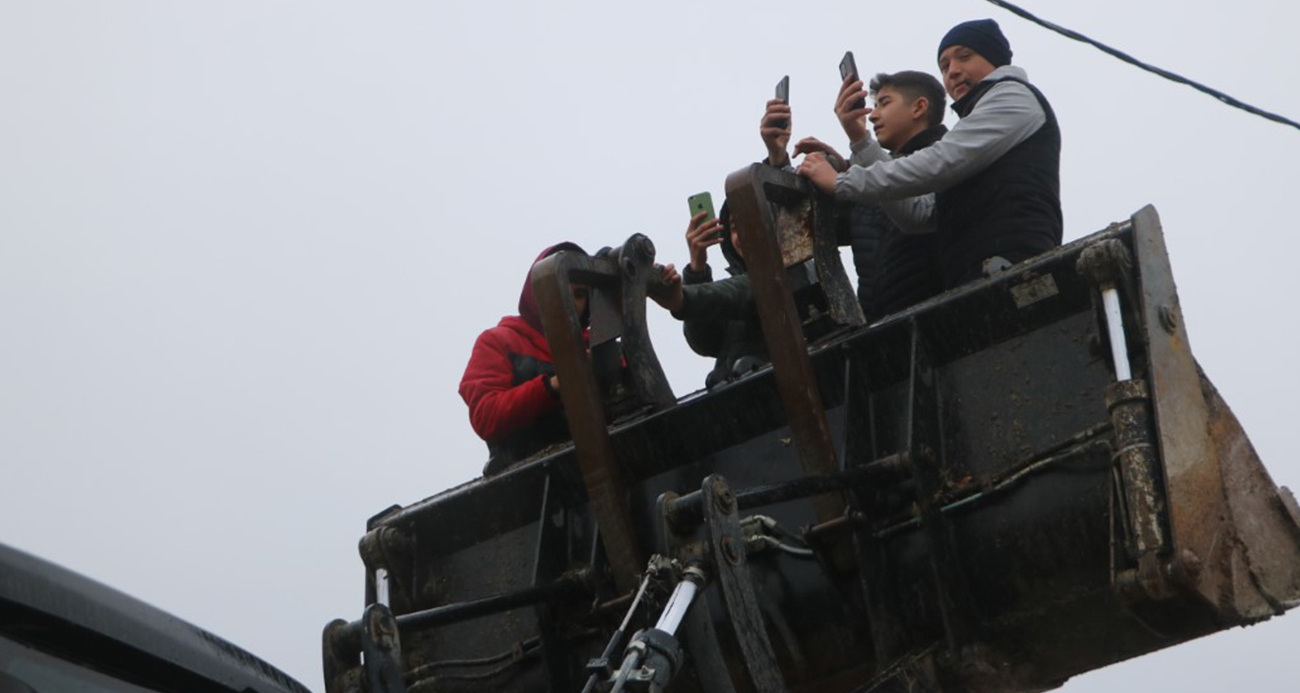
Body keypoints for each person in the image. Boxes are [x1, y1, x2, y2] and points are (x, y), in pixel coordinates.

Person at [797, 18, 1062, 289]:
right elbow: (918, 213)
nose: (953, 72)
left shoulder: (1012, 96)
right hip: (974, 278)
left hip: (1015, 266)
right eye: (944, 66)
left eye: (965, 57)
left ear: (995, 59)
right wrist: (861, 144)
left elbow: (939, 162)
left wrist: (841, 182)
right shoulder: (975, 126)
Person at [792, 70, 949, 320]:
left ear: (919, 108)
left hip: (940, 317)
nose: (873, 115)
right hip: (883, 331)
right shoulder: (867, 174)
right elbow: (811, 231)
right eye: (874, 105)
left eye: (884, 103)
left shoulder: (949, 159)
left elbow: (903, 195)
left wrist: (858, 144)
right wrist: (781, 157)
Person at [459, 243, 589, 473]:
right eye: (560, 289)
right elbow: (486, 415)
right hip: (531, 485)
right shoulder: (497, 342)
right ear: (536, 291)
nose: (571, 302)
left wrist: (675, 304)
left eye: (580, 294)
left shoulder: (597, 346)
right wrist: (552, 386)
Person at [656, 205, 768, 388]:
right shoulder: (733, 296)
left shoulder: (802, 271)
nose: (742, 233)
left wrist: (682, 300)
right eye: (734, 227)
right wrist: (696, 271)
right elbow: (705, 342)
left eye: (750, 220)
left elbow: (753, 288)